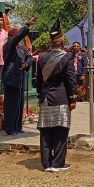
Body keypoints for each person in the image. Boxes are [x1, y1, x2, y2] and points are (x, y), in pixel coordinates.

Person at [36, 19, 77, 173]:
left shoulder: (42, 57)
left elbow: (38, 80)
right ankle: (57, 164)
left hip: (45, 98)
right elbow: (70, 79)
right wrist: (73, 98)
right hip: (61, 98)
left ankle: (46, 164)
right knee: (60, 131)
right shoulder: (66, 57)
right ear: (61, 42)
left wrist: (40, 95)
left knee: (46, 132)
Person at [2, 17, 36, 135]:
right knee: (11, 105)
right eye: (16, 36)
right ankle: (9, 128)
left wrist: (27, 64)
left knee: (19, 104)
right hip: (11, 78)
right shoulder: (8, 45)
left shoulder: (21, 48)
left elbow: (30, 57)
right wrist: (26, 25)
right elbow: (16, 39)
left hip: (20, 77)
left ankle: (17, 127)